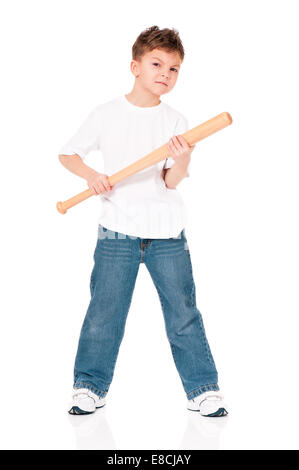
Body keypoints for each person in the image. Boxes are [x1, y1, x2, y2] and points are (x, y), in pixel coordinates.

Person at [58, 25, 228, 417]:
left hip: (167, 233)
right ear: (135, 66)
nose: (165, 74)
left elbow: (169, 180)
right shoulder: (106, 114)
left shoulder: (176, 120)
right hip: (116, 232)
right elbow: (68, 154)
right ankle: (89, 387)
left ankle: (203, 389)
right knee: (105, 312)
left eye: (174, 69)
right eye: (157, 64)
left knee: (183, 313)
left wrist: (183, 158)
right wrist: (91, 175)